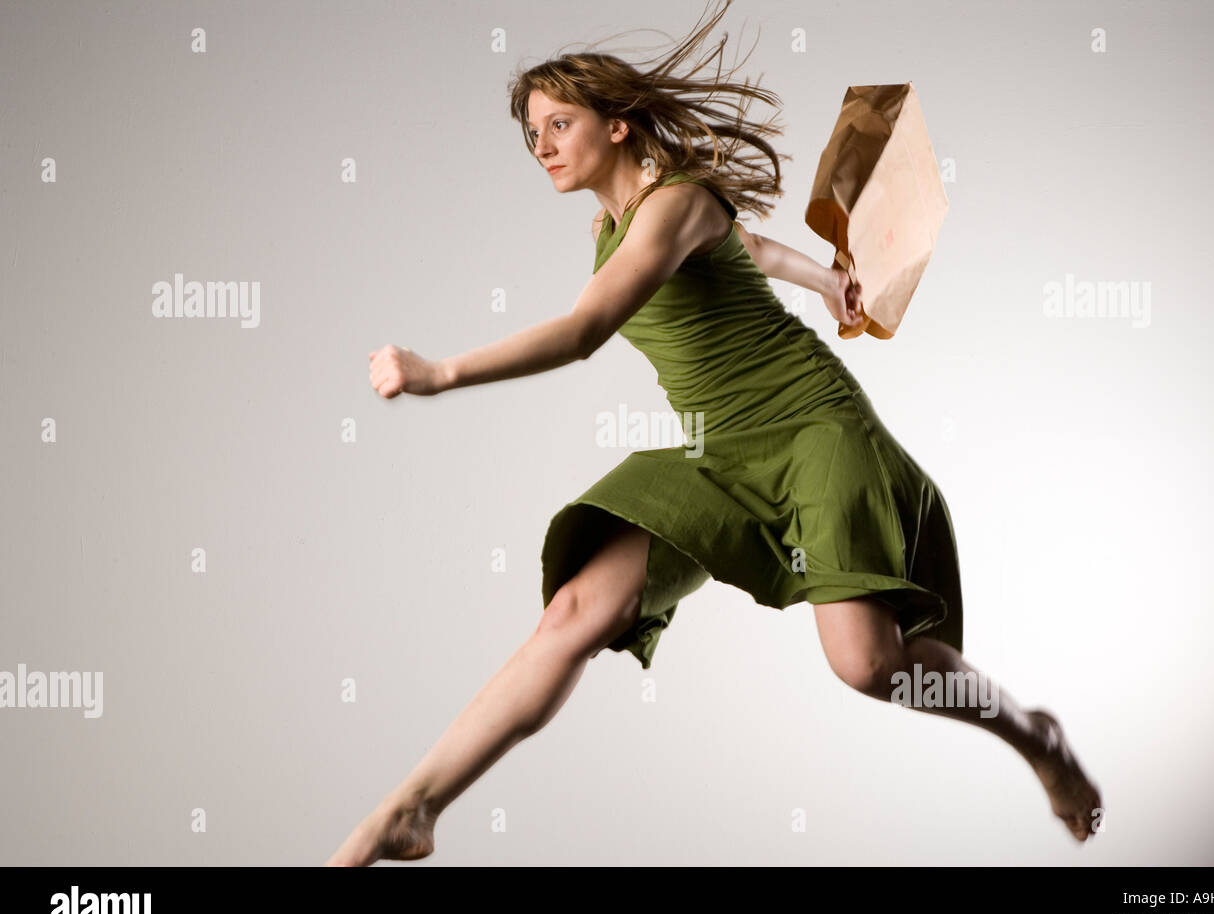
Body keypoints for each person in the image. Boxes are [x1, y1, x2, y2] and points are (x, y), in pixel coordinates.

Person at [326, 0, 1102, 866]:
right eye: (531, 131)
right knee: (578, 610)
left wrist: (441, 373)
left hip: (811, 427)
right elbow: (753, 248)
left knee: (867, 665)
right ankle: (412, 808)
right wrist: (821, 279)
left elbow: (586, 331)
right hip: (717, 449)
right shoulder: (615, 226)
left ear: (617, 127)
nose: (541, 143)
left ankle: (1036, 738)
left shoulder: (675, 202)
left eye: (559, 122)